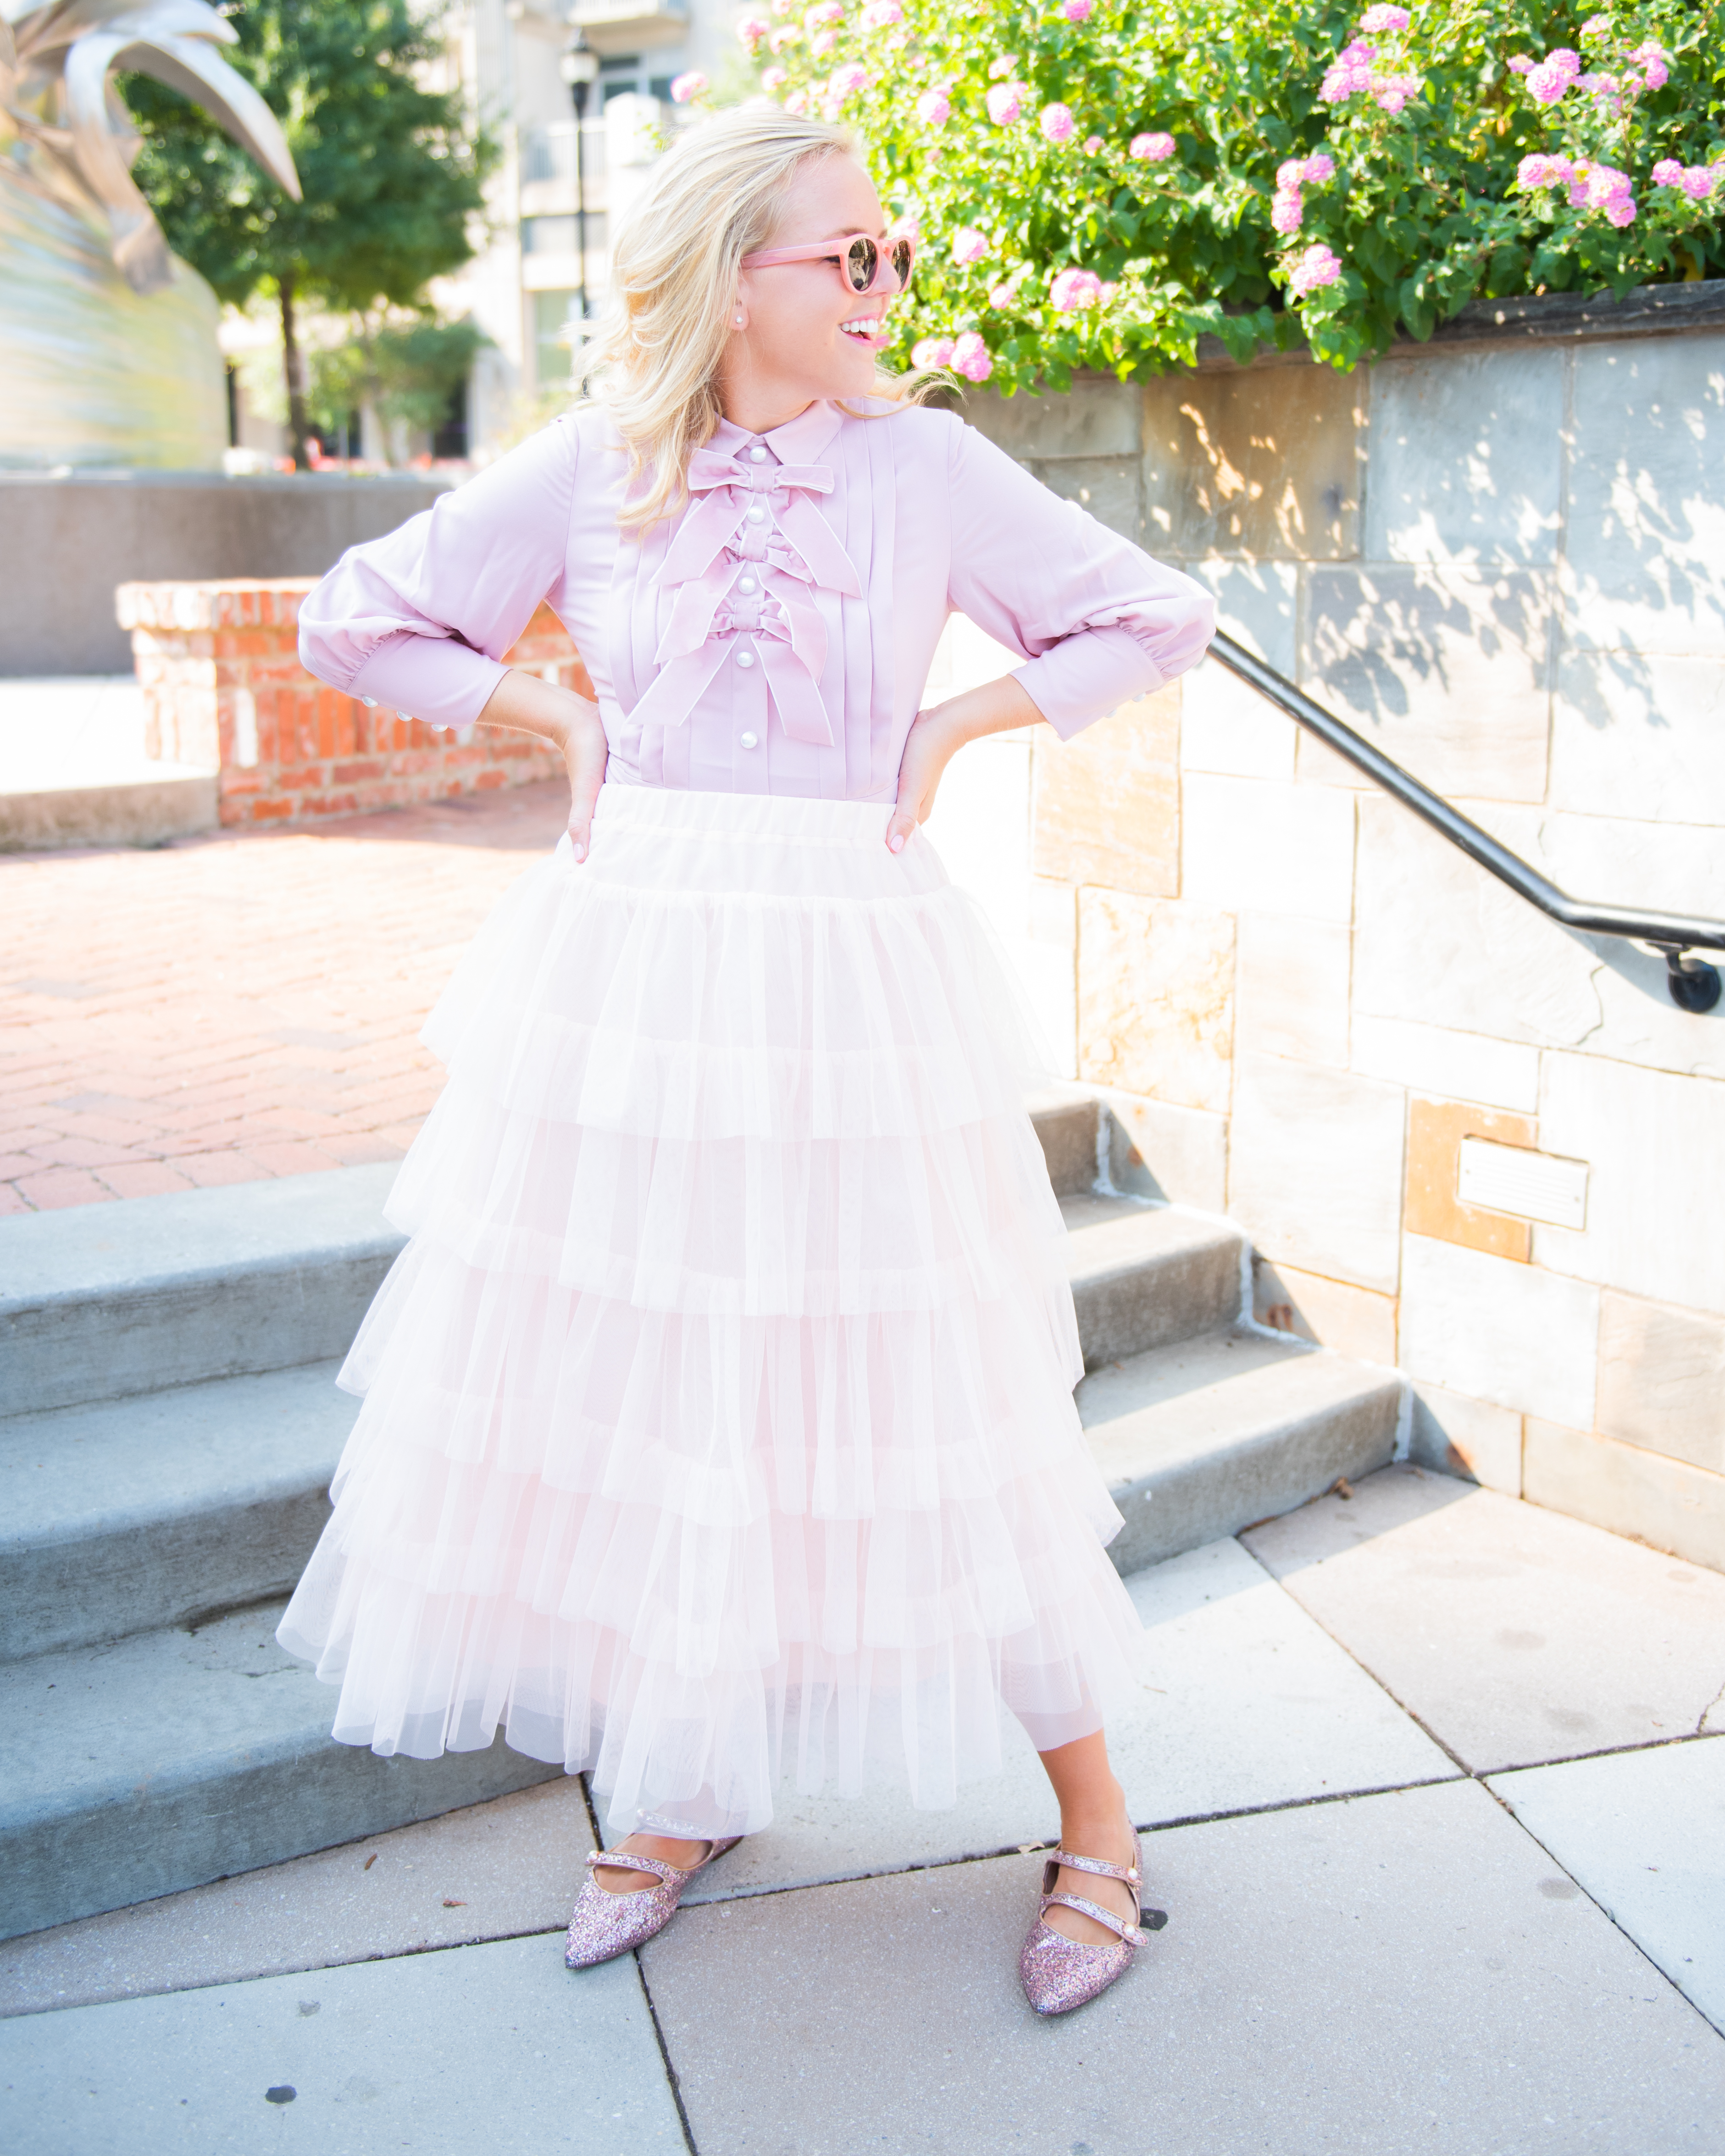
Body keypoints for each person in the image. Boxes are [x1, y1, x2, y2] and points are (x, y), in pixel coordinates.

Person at [278, 104, 1214, 2017]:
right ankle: (688, 1784)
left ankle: (1098, 1821)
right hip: (629, 974)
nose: (887, 281)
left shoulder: (931, 470)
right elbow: (357, 618)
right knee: (661, 1382)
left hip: (847, 972)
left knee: (928, 1387)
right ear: (732, 283)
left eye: (888, 250)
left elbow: (1152, 612)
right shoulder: (597, 466)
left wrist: (957, 727)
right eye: (847, 255)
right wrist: (541, 707)